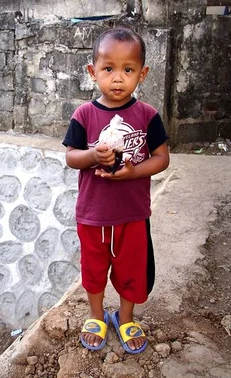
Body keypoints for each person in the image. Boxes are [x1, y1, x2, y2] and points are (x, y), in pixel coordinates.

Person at [62, 27, 170, 354]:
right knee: (93, 269)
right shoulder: (84, 115)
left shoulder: (147, 116)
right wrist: (93, 154)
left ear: (143, 73)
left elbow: (162, 158)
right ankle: (96, 315)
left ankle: (125, 318)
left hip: (132, 215)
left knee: (131, 270)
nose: (118, 79)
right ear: (93, 72)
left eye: (128, 70)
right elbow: (71, 157)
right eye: (109, 69)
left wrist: (134, 171)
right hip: (93, 215)